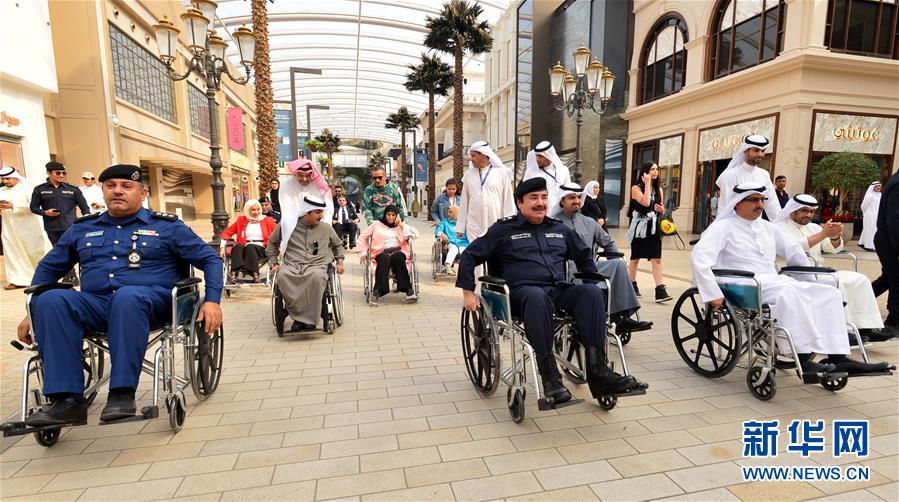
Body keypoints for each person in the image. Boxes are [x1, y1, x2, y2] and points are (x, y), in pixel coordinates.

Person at [17, 164, 223, 425]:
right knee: (50, 299)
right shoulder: (83, 228)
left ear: (142, 192)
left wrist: (213, 301)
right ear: (102, 191)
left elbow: (210, 260)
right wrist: (30, 312)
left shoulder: (167, 227)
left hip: (152, 304)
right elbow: (49, 268)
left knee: (127, 297)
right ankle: (66, 400)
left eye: (127, 186)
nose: (118, 191)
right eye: (111, 186)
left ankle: (122, 394)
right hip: (97, 304)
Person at [457, 177, 646, 405]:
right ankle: (550, 378)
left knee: (592, 293)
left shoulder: (558, 229)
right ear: (520, 203)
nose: (540, 203)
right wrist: (468, 292)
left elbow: (583, 255)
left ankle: (599, 373)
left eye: (544, 198)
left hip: (557, 291)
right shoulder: (503, 230)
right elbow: (469, 256)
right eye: (533, 198)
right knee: (536, 296)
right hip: (520, 296)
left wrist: (589, 280)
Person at [691, 182, 889, 377]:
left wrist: (810, 279)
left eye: (761, 199)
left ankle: (839, 357)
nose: (759, 204)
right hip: (740, 283)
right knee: (791, 293)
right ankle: (802, 360)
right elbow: (700, 258)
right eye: (753, 200)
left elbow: (794, 251)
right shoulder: (722, 228)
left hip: (771, 280)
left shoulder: (768, 228)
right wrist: (712, 294)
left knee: (828, 292)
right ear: (737, 204)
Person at [774, 194, 893, 342]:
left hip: (820, 271)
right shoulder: (778, 228)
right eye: (804, 211)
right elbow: (794, 248)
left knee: (860, 280)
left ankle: (866, 327)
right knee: (837, 283)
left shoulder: (813, 227)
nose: (809, 215)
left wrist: (834, 236)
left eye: (811, 211)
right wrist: (824, 233)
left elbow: (833, 249)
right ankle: (843, 331)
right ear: (792, 211)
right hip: (794, 273)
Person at [556, 184, 653, 336]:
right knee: (574, 268)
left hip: (590, 266)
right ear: (562, 201)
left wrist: (612, 255)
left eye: (578, 197)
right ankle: (588, 314)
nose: (576, 200)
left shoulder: (589, 222)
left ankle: (622, 319)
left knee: (618, 264)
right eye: (571, 198)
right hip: (566, 270)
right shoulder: (554, 223)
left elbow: (608, 242)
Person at [266, 195, 344, 332]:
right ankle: (298, 317)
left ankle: (308, 319)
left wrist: (340, 261)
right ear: (307, 212)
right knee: (283, 276)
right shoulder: (287, 225)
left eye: (322, 211)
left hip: (318, 264)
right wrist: (274, 262)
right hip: (293, 264)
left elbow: (338, 245)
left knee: (316, 277)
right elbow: (271, 243)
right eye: (318, 212)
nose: (321, 215)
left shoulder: (326, 228)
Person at [625, 161, 672, 303]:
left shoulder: (659, 190)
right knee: (635, 258)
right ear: (645, 172)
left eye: (657, 169)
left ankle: (660, 290)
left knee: (657, 258)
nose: (655, 172)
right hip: (640, 227)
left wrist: (661, 209)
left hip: (653, 227)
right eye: (652, 169)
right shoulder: (635, 188)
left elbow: (661, 208)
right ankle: (632, 285)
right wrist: (646, 184)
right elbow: (645, 203)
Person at [0, 166, 51, 289]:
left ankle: (40, 278)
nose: (5, 181)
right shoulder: (1, 190)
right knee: (13, 253)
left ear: (16, 177)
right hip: (9, 227)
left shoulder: (27, 189)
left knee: (34, 251)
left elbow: (33, 206)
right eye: (3, 179)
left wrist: (14, 205)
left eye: (8, 178)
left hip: (28, 225)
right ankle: (16, 280)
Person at [357, 204, 418, 304]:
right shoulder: (376, 224)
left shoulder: (400, 225)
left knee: (398, 256)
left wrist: (402, 225)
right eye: (388, 214)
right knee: (384, 257)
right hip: (381, 252)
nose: (390, 217)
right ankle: (379, 290)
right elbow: (362, 237)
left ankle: (407, 289)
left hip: (398, 251)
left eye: (393, 215)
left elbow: (415, 234)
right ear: (385, 214)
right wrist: (363, 252)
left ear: (397, 216)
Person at [457, 141, 516, 241]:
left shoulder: (501, 173)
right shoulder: (469, 175)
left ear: (483, 155)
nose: (471, 159)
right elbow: (464, 202)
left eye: (474, 156)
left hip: (495, 222)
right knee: (476, 252)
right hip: (474, 225)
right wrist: (460, 227)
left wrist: (509, 224)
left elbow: (508, 200)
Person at [715, 135, 780, 221]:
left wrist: (781, 226)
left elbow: (772, 205)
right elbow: (727, 207)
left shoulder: (764, 174)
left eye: (763, 151)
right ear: (745, 151)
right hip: (734, 227)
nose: (760, 154)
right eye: (756, 150)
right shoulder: (730, 175)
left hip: (757, 227)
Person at [30, 161, 91, 246]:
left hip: (70, 226)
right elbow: (33, 207)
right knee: (58, 252)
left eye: (64, 173)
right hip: (52, 228)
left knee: (72, 251)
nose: (61, 175)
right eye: (58, 173)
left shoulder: (73, 189)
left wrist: (87, 223)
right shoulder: (39, 189)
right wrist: (45, 212)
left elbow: (84, 208)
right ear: (48, 173)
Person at [221, 199, 277, 283]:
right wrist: (222, 247)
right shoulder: (241, 220)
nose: (256, 212)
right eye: (253, 210)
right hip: (243, 248)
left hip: (261, 248)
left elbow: (279, 233)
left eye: (258, 209)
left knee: (250, 247)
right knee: (238, 246)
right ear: (247, 210)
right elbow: (226, 233)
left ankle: (255, 275)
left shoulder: (267, 220)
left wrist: (279, 245)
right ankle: (234, 274)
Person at [872, 169, 899, 332]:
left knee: (888, 279)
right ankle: (893, 322)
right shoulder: (898, 184)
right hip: (890, 242)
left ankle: (851, 302)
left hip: (890, 241)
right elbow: (895, 220)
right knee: (897, 280)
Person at [523, 141, 572, 212]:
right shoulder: (530, 172)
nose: (537, 159)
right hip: (538, 213)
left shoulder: (563, 171)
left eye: (541, 156)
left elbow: (568, 192)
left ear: (549, 156)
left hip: (559, 214)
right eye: (536, 156)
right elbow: (526, 195)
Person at [282, 158, 333, 223]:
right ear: (295, 174)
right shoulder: (287, 185)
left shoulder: (318, 187)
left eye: (308, 176)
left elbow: (327, 211)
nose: (304, 179)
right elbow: (286, 210)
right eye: (300, 175)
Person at [435, 205, 469, 274]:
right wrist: (442, 234)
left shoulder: (463, 223)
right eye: (448, 212)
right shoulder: (445, 222)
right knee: (453, 249)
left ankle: (465, 270)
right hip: (451, 242)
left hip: (463, 243)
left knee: (464, 252)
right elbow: (438, 231)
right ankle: (447, 265)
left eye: (450, 212)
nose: (448, 214)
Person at [858, 181, 881, 251]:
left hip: (877, 216)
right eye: (877, 186)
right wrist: (867, 213)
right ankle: (870, 246)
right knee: (870, 229)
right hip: (870, 215)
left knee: (870, 229)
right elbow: (863, 206)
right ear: (873, 187)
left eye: (879, 186)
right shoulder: (870, 195)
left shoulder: (880, 195)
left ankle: (862, 243)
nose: (878, 187)